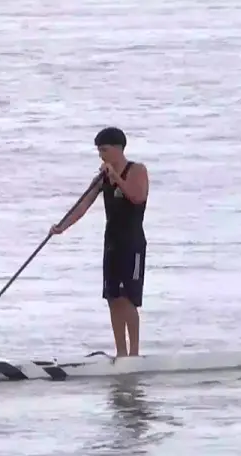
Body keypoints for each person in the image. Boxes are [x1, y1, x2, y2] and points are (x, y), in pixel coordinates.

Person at [50, 127, 150, 358]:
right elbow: (83, 205)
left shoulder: (137, 170)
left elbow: (137, 197)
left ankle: (134, 354)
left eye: (104, 150)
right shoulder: (102, 177)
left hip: (132, 241)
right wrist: (62, 227)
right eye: (99, 151)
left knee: (127, 299)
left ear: (117, 148)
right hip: (111, 242)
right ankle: (121, 353)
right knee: (113, 298)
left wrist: (116, 178)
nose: (101, 155)